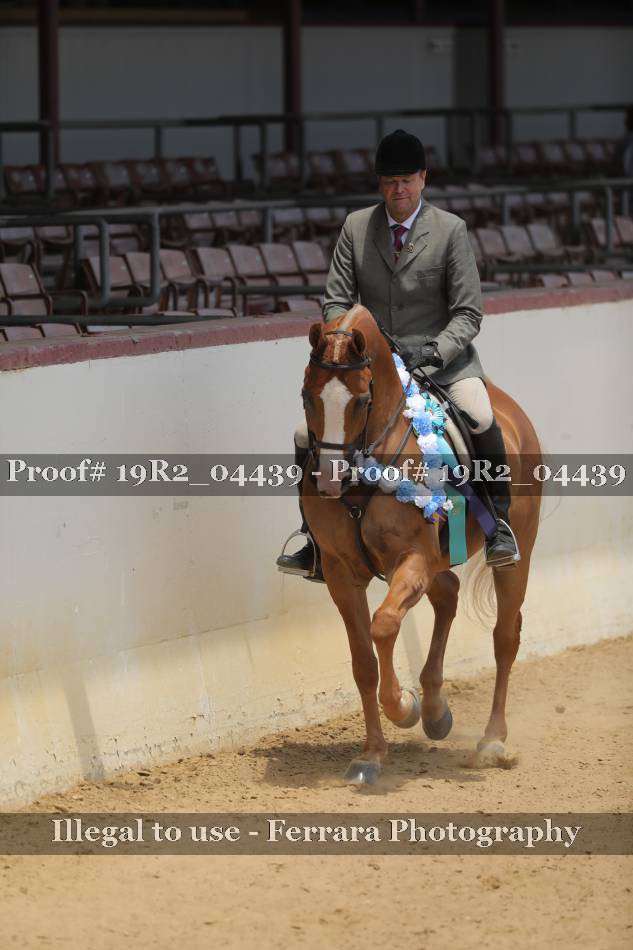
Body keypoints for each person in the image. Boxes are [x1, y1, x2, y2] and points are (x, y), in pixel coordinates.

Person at [277, 128, 520, 580]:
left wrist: (434, 351)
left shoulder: (450, 230)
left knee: (480, 415)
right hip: (373, 367)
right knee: (302, 434)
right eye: (390, 182)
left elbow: (468, 313)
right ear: (380, 184)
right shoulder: (356, 228)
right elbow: (336, 301)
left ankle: (498, 525)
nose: (399, 190)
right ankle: (313, 539)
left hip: (442, 365)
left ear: (423, 178)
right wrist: (352, 342)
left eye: (407, 180)